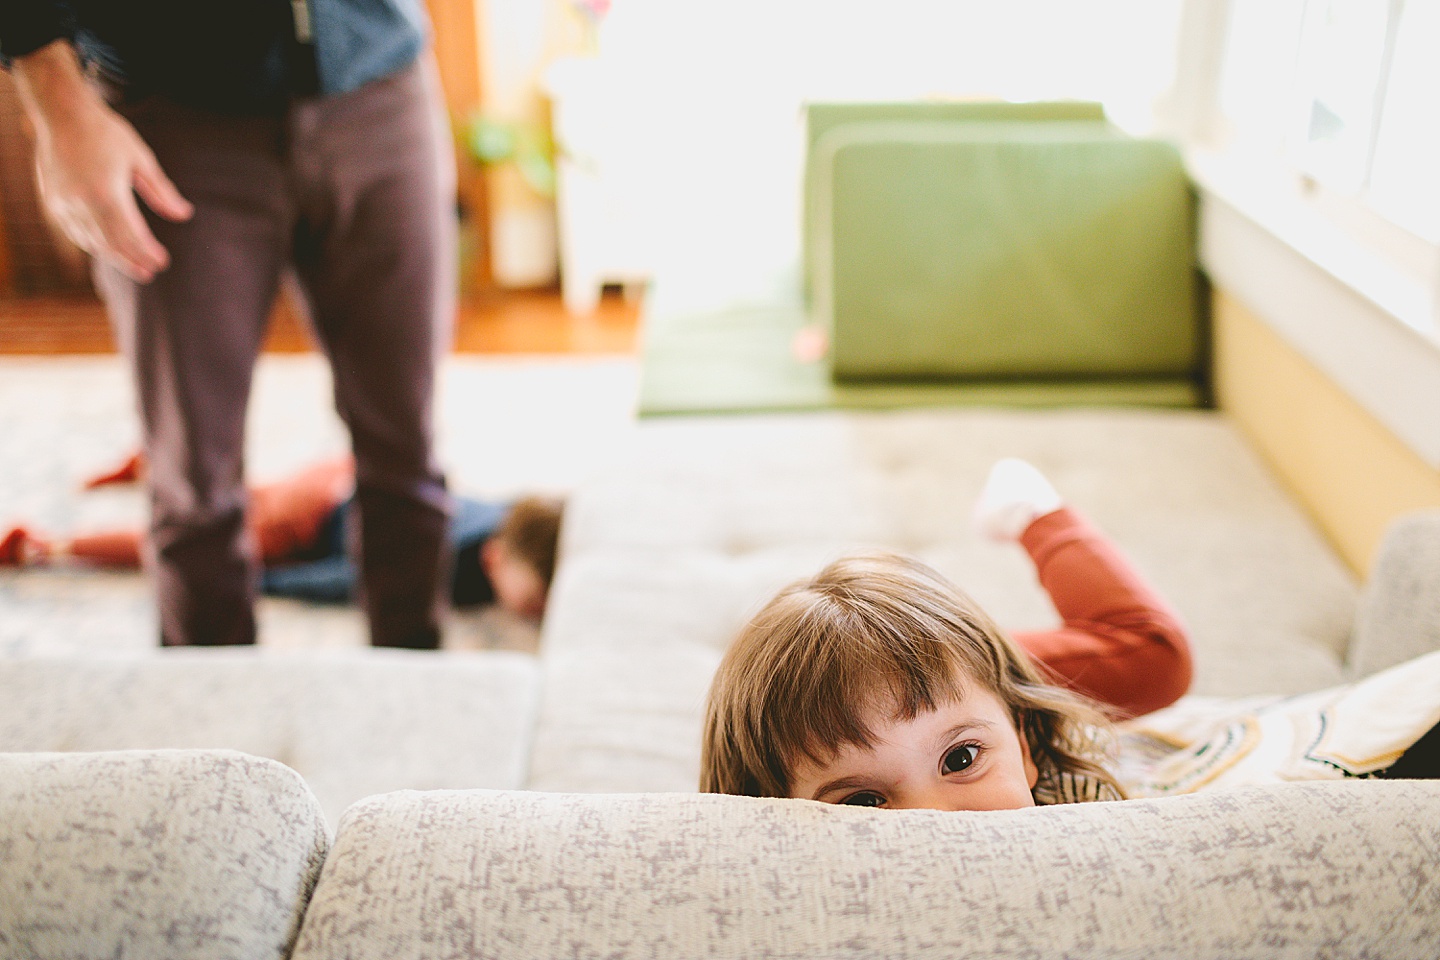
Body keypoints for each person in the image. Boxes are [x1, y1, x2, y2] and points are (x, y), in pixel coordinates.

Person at [1, 3, 457, 647]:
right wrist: (56, 101)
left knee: (407, 456)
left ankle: (422, 698)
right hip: (175, 111)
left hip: (381, 84)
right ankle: (212, 736)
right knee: (194, 488)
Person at [700, 461, 1440, 811]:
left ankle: (1031, 506)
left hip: (965, 675)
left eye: (961, 761)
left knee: (1153, 657)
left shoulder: (1065, 783)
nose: (935, 822)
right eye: (863, 802)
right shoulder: (780, 805)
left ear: (1023, 742)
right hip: (918, 691)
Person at [1, 452, 564, 621]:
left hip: (350, 477)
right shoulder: (443, 562)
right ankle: (46, 544)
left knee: (237, 497)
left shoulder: (512, 518)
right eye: (534, 602)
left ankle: (158, 463)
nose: (538, 613)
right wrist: (263, 577)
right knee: (200, 541)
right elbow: (348, 579)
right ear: (492, 560)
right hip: (317, 514)